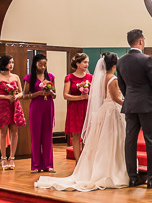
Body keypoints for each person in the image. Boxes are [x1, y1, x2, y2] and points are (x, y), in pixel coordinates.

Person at [34, 52, 129, 191]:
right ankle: (110, 167)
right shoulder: (112, 79)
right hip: (108, 109)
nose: (86, 64)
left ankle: (96, 165)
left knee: (102, 139)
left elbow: (101, 95)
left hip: (103, 109)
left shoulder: (99, 78)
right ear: (114, 64)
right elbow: (114, 97)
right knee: (109, 139)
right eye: (84, 62)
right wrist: (127, 104)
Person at [118, 29, 152, 189]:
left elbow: (122, 84)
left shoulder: (121, 61)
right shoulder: (146, 59)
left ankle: (133, 178)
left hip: (130, 104)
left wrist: (129, 97)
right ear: (140, 41)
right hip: (146, 104)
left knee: (130, 140)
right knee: (150, 140)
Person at [0, 55, 26, 170]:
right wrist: (5, 97)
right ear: (3, 63)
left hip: (14, 105)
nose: (11, 65)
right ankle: (3, 158)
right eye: (9, 62)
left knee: (14, 131)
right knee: (3, 132)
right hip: (2, 106)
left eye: (12, 62)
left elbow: (21, 92)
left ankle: (12, 157)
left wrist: (16, 96)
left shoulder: (16, 77)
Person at [23, 54, 56, 173]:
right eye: (40, 65)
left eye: (44, 65)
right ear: (35, 64)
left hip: (48, 107)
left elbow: (55, 95)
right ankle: (36, 165)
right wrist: (37, 94)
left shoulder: (50, 77)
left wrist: (50, 92)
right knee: (36, 136)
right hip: (36, 107)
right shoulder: (29, 78)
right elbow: (24, 95)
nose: (42, 67)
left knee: (47, 136)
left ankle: (48, 164)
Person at [63, 53, 92, 160]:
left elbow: (95, 94)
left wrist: (88, 96)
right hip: (74, 108)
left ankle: (84, 161)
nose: (87, 64)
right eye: (84, 62)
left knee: (86, 135)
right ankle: (77, 161)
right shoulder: (69, 77)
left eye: (87, 62)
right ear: (77, 63)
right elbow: (65, 95)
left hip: (87, 108)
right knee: (76, 135)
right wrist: (80, 97)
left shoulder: (90, 77)